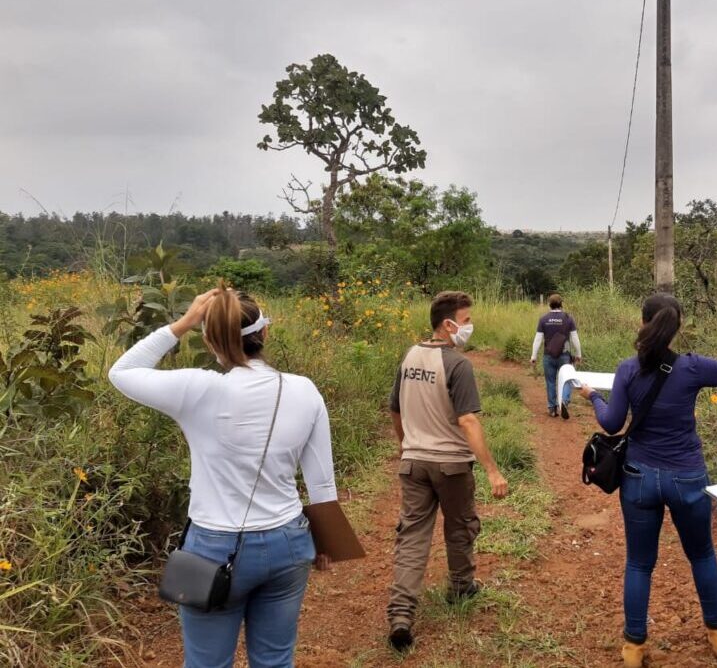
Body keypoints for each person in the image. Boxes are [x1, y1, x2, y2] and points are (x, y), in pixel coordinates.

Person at [108, 285, 336, 668]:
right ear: (265, 334)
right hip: (288, 543)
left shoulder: (196, 388)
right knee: (276, 660)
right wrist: (328, 543)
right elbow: (321, 481)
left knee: (207, 663)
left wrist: (182, 324)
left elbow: (122, 372)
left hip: (212, 549)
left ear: (212, 339)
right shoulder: (304, 390)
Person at [580, 293, 717, 667]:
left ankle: (634, 648)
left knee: (639, 564)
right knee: (702, 553)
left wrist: (594, 397)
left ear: (642, 323)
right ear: (678, 326)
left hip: (638, 477)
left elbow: (610, 424)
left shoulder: (627, 370)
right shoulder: (693, 367)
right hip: (687, 476)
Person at [386, 290, 510, 651]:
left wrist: (405, 444)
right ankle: (461, 587)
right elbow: (467, 419)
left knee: (411, 537)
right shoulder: (458, 364)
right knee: (460, 527)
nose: (470, 327)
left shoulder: (409, 356)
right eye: (467, 320)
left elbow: (395, 410)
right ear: (448, 324)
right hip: (453, 465)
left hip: (414, 462)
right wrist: (491, 469)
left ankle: (400, 614)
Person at [530, 293, 582, 419]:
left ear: (549, 304)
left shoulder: (544, 319)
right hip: (564, 355)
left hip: (548, 355)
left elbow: (538, 339)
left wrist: (534, 356)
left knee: (550, 381)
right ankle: (564, 401)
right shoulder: (568, 318)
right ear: (561, 304)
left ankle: (552, 408)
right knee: (567, 380)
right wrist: (578, 353)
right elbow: (574, 337)